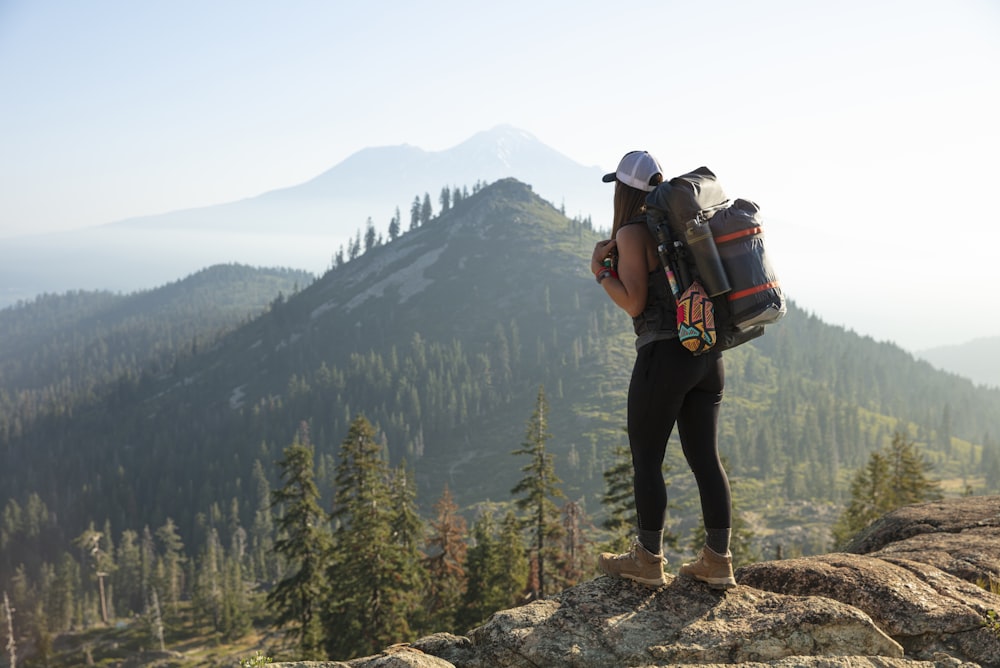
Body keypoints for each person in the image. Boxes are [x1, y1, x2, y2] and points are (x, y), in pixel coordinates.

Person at [591, 150, 736, 590]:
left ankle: (648, 560)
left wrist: (600, 272)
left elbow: (635, 302)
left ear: (623, 189)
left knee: (647, 460)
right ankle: (717, 560)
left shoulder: (633, 233)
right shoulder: (685, 225)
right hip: (707, 353)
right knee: (706, 460)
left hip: (664, 356)